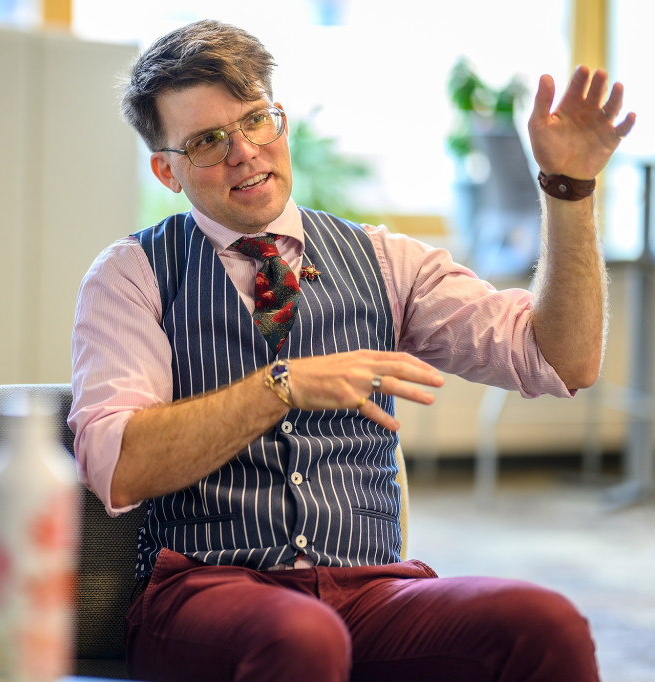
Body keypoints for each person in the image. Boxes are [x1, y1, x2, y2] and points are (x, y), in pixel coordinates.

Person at [69, 19, 635, 682]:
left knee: (544, 625)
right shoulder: (132, 274)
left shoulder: (386, 260)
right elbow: (117, 467)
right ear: (166, 169)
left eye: (257, 121)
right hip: (205, 592)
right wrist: (278, 386)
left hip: (370, 587)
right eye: (207, 141)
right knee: (303, 639)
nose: (244, 152)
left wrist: (568, 190)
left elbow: (559, 360)